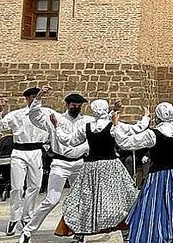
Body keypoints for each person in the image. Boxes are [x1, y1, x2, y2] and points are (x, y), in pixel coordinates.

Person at [51, 96, 145, 239]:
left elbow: (68, 140)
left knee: (86, 199)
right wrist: (146, 117)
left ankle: (80, 233)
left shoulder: (86, 126)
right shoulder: (114, 125)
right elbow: (137, 129)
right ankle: (125, 233)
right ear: (106, 109)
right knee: (119, 199)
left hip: (91, 167)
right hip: (111, 167)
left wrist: (57, 126)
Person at [114, 99, 173, 243]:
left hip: (160, 177)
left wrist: (115, 125)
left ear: (158, 117)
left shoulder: (152, 134)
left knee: (156, 210)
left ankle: (159, 236)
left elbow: (125, 142)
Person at [19, 90, 92, 243]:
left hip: (79, 163)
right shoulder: (55, 118)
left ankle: (80, 232)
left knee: (82, 199)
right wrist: (38, 98)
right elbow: (35, 116)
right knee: (52, 200)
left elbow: (104, 123)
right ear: (67, 105)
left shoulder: (86, 121)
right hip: (60, 163)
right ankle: (27, 231)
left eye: (79, 106)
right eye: (74, 105)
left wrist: (114, 111)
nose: (76, 108)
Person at [0, 87, 55, 236]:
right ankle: (14, 218)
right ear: (26, 99)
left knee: (34, 186)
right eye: (31, 97)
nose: (34, 99)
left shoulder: (46, 113)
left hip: (36, 151)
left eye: (36, 97)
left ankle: (27, 216)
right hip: (19, 151)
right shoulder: (17, 114)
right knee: (17, 187)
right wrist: (0, 111)